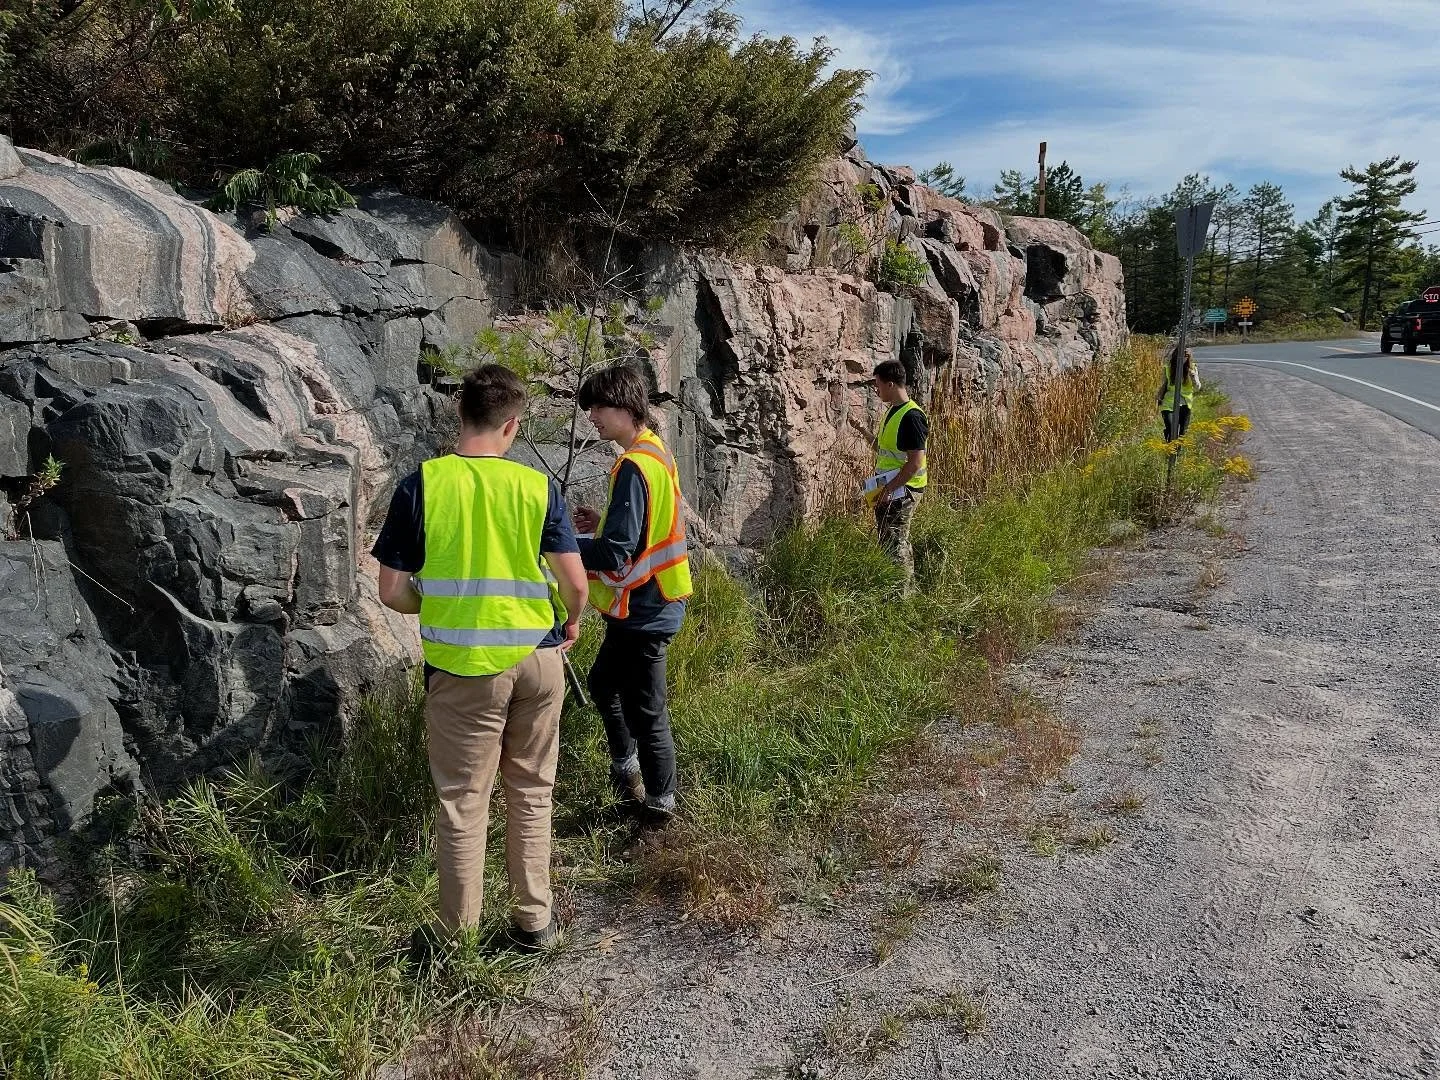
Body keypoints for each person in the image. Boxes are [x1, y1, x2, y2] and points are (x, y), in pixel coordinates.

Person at [372, 363, 588, 955]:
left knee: (464, 802)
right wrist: (570, 620)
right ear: (512, 424)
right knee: (533, 790)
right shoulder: (536, 486)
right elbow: (574, 583)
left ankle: (456, 937)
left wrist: (440, 602)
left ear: (459, 414)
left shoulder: (422, 485)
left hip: (464, 670)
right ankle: (534, 922)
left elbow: (391, 591)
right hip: (539, 658)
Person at [572, 365, 692, 822]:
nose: (592, 417)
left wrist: (561, 544)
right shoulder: (654, 451)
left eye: (598, 407)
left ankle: (659, 810)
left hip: (648, 609)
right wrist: (602, 522)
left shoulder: (634, 466)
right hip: (648, 603)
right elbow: (641, 530)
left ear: (623, 407)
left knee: (647, 713)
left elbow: (617, 551)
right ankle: (626, 771)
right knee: (604, 684)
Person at [870, 359, 928, 582]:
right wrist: (861, 430)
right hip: (888, 486)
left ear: (891, 384)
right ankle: (892, 589)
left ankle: (902, 594)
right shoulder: (893, 412)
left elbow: (915, 462)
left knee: (896, 544)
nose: (877, 390)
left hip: (903, 490)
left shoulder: (912, 417)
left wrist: (888, 489)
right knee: (887, 540)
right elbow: (885, 449)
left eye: (878, 384)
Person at [1159, 343, 1202, 441]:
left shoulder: (1192, 368)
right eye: (1180, 356)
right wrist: (1159, 397)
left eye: (1185, 356)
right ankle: (1169, 439)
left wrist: (1193, 377)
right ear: (1176, 356)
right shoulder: (1168, 368)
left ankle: (1177, 450)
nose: (1183, 359)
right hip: (1169, 403)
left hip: (1185, 404)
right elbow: (1164, 385)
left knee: (1183, 433)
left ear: (1188, 357)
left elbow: (1197, 387)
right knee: (1171, 428)